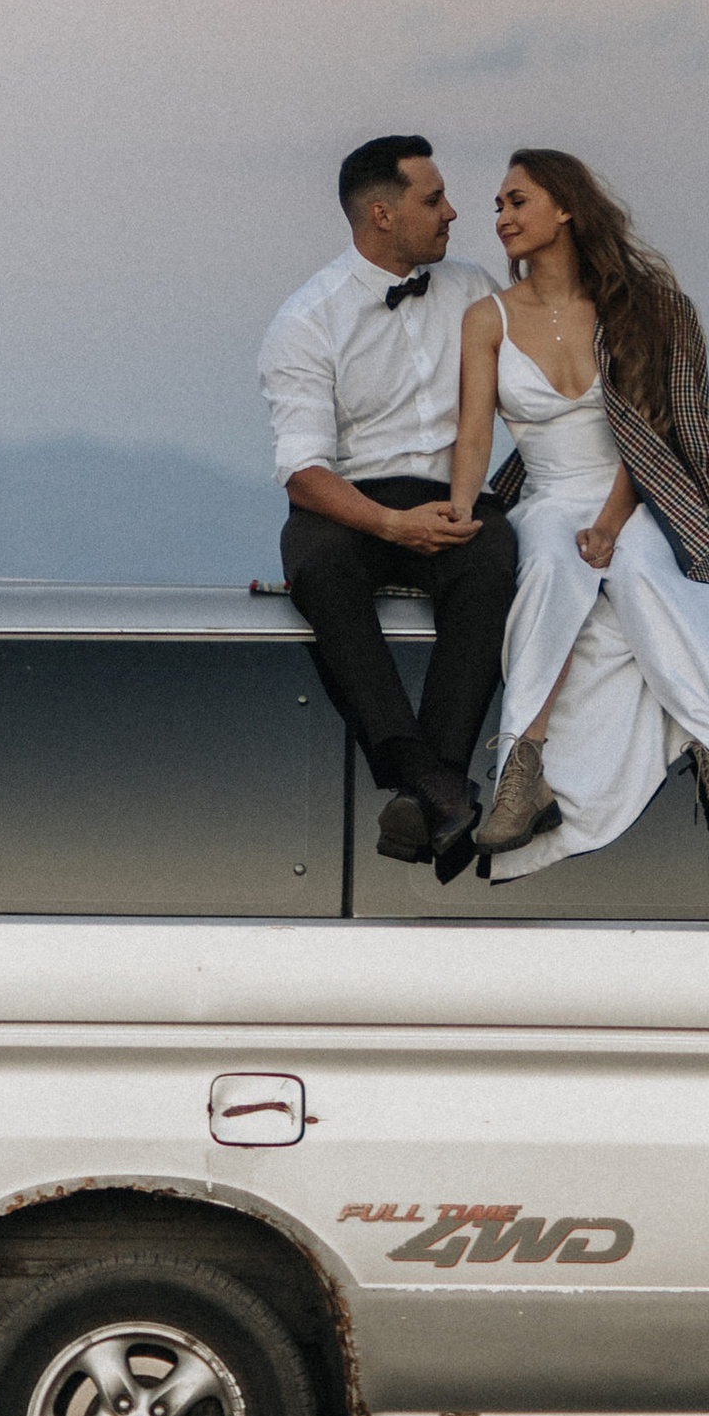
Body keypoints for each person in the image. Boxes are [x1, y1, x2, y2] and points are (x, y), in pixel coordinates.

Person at [447, 150, 709, 877]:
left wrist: (610, 524)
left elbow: (655, 433)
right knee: (546, 562)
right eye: (499, 208)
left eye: (517, 201)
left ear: (565, 208)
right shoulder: (487, 319)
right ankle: (522, 766)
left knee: (642, 576)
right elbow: (476, 434)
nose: (502, 219)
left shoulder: (640, 309)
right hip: (545, 493)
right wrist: (457, 511)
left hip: (638, 489)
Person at [258, 137, 519, 873]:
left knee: (494, 556)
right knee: (318, 565)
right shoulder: (307, 320)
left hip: (453, 492)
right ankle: (429, 775)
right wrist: (389, 524)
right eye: (433, 200)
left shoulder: (476, 291)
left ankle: (426, 793)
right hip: (351, 506)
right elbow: (303, 470)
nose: (453, 212)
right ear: (382, 213)